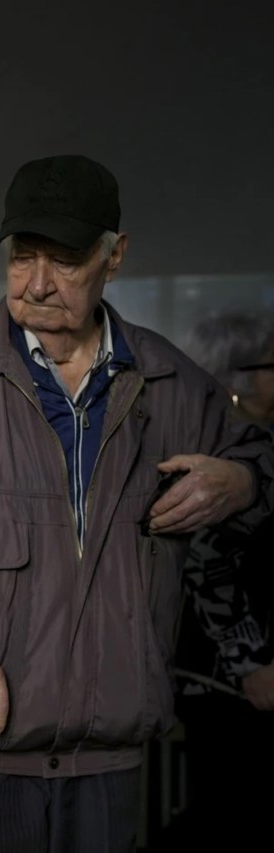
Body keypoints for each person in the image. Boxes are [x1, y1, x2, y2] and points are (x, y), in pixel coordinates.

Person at [0, 154, 274, 853]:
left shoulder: (170, 385)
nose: (37, 283)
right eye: (22, 256)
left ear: (114, 256)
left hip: (109, 766)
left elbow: (264, 461)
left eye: (64, 260)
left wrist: (241, 481)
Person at [170, 312, 274, 844]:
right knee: (233, 808)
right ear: (237, 376)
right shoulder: (232, 446)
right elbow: (208, 558)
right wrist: (252, 662)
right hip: (227, 678)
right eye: (270, 363)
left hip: (228, 672)